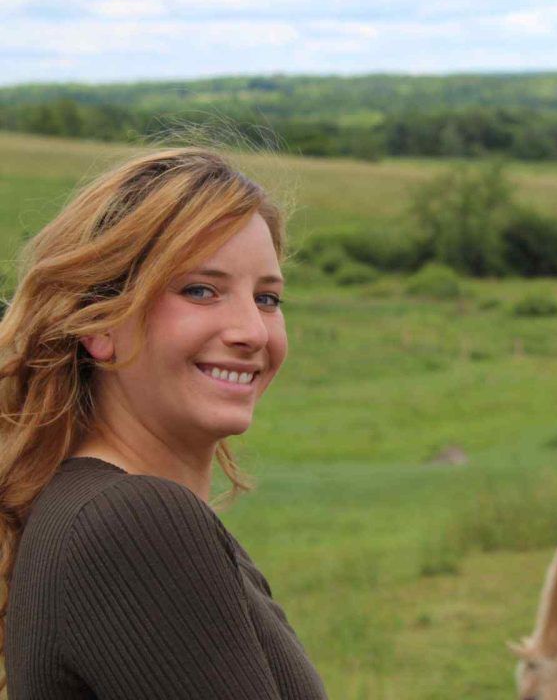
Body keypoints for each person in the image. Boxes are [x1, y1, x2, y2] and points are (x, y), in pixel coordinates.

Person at [0, 148, 328, 699]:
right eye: (200, 290)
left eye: (268, 297)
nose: (252, 331)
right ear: (100, 326)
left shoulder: (86, 509)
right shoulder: (135, 523)